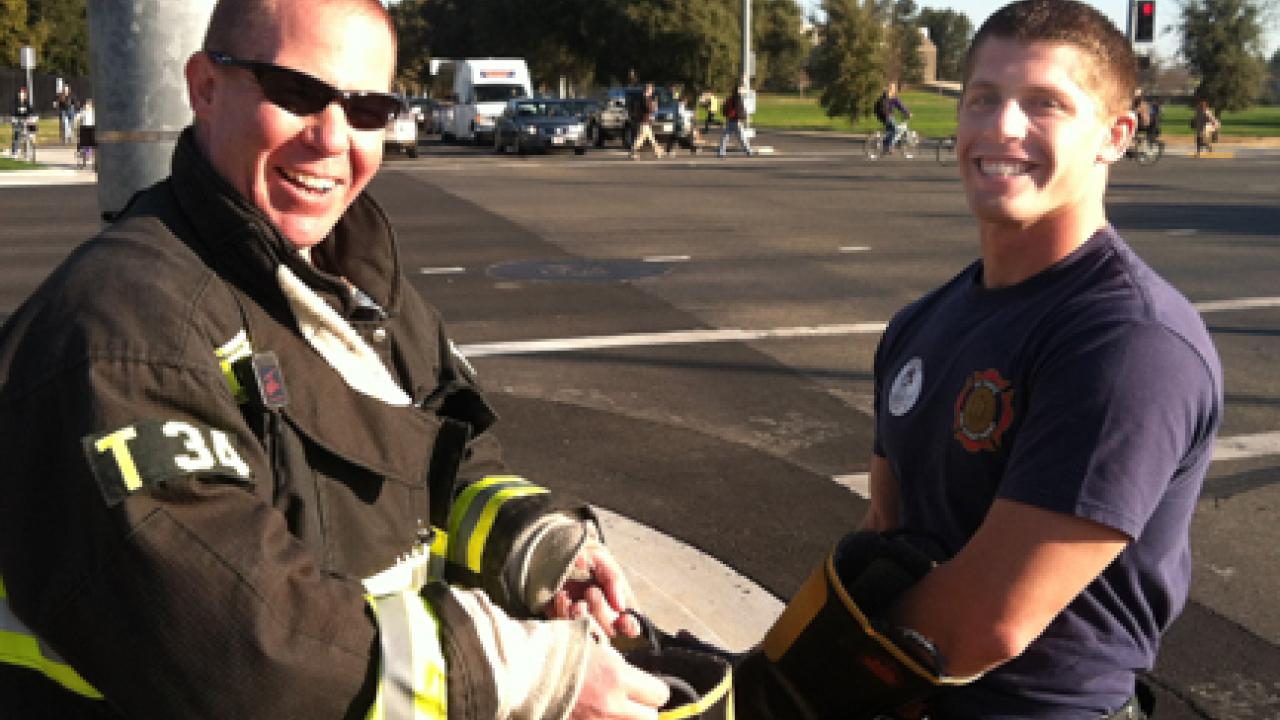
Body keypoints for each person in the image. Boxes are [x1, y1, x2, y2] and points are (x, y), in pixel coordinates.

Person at [0, 0, 673, 718]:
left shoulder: (352, 280)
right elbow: (251, 645)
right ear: (204, 88)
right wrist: (516, 674)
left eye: (368, 108)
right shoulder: (123, 338)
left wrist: (531, 544)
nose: (332, 138)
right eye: (295, 94)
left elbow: (434, 458)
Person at [733, 1, 1222, 718]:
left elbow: (992, 622)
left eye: (1045, 103)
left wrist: (791, 687)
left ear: (1115, 136)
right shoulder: (919, 323)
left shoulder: (1129, 343)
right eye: (983, 99)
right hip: (903, 700)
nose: (1002, 127)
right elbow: (885, 534)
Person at [873, 81, 912, 154]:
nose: (894, 89)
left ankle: (885, 146)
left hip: (881, 116)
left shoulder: (885, 96)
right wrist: (907, 113)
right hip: (887, 116)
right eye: (893, 88)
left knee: (890, 131)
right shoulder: (891, 97)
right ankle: (889, 147)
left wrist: (905, 112)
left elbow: (900, 106)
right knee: (896, 130)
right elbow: (900, 106)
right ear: (891, 88)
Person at [628, 83, 664, 160]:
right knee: (641, 137)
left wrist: (653, 105)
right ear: (648, 90)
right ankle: (633, 151)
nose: (652, 91)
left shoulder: (644, 98)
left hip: (645, 120)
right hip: (644, 120)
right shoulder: (645, 98)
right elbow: (649, 109)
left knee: (650, 137)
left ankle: (658, 151)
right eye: (651, 90)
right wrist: (654, 106)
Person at [716, 87, 754, 158]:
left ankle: (722, 152)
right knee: (742, 138)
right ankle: (749, 151)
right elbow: (740, 110)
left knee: (725, 137)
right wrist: (744, 118)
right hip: (737, 121)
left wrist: (726, 115)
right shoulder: (738, 99)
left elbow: (724, 109)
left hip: (730, 120)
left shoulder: (729, 99)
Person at [9, 86, 34, 156]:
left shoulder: (27, 104)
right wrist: (14, 119)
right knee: (17, 133)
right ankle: (15, 151)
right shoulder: (16, 104)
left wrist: (29, 118)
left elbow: (30, 112)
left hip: (26, 122)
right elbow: (13, 113)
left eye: (24, 94)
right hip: (18, 121)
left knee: (30, 132)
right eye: (21, 94)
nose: (22, 96)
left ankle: (28, 149)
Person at [76, 97, 96, 168]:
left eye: (88, 104)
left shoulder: (93, 112)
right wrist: (78, 130)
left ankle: (94, 164)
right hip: (84, 128)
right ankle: (84, 162)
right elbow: (79, 119)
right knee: (84, 146)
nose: (87, 106)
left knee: (93, 147)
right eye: (86, 104)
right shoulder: (83, 111)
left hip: (92, 128)